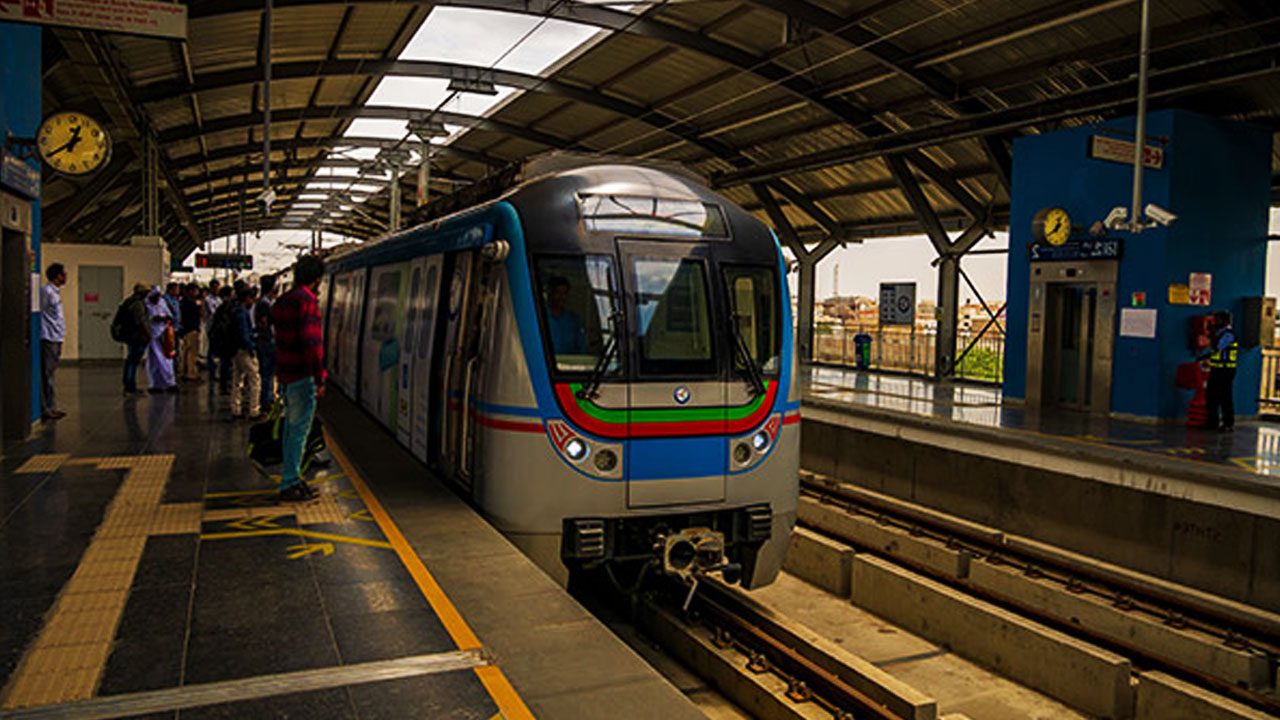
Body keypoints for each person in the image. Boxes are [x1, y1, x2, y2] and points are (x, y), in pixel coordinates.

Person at [272, 256, 326, 502]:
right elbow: (312, 344)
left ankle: (291, 478)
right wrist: (320, 377)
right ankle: (290, 482)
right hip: (302, 377)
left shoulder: (283, 301)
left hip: (285, 373)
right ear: (316, 280)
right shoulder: (307, 302)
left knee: (291, 430)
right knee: (298, 431)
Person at [39, 263, 68, 420]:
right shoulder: (47, 292)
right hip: (48, 338)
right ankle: (47, 407)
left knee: (50, 374)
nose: (66, 277)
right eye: (64, 274)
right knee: (46, 375)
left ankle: (51, 406)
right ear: (57, 276)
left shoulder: (54, 293)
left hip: (56, 337)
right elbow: (39, 312)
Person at [229, 287, 262, 420]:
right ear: (247, 299)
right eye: (251, 298)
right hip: (244, 351)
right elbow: (244, 335)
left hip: (235, 350)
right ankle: (254, 411)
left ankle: (236, 409)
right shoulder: (242, 313)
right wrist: (252, 346)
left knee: (237, 380)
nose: (253, 301)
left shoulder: (235, 311)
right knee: (255, 379)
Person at [1202, 309, 1238, 432]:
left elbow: (1218, 347)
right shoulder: (1218, 333)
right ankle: (1212, 422)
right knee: (1211, 396)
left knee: (1225, 397)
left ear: (1225, 321)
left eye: (1217, 320)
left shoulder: (1228, 334)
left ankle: (1228, 423)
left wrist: (1212, 334)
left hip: (1226, 370)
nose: (1215, 322)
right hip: (1216, 369)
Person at [116, 283, 152, 395]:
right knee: (133, 362)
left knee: (130, 361)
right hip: (137, 336)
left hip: (130, 335)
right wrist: (148, 335)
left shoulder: (129, 301)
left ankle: (128, 385)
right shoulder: (138, 304)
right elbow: (141, 321)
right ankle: (130, 387)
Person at [145, 286, 177, 393]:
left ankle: (170, 383)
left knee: (167, 359)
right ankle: (155, 384)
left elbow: (170, 315)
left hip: (163, 334)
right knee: (154, 361)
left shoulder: (162, 302)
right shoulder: (146, 304)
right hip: (152, 336)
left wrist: (164, 318)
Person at [545, 276, 586, 355]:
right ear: (550, 293)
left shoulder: (574, 321)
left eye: (565, 293)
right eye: (558, 293)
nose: (562, 297)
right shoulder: (538, 319)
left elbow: (582, 349)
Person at [255, 275, 279, 410]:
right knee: (267, 374)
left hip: (266, 342)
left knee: (267, 374)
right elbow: (265, 323)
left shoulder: (262, 302)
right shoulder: (264, 304)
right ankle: (266, 402)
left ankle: (267, 399)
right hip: (267, 342)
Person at [178, 283, 203, 381]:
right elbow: (200, 313)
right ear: (191, 291)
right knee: (192, 352)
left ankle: (183, 371)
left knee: (185, 351)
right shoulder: (192, 303)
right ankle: (191, 373)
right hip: (192, 328)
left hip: (185, 329)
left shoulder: (183, 301)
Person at [205, 279, 222, 383]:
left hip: (219, 327)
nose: (216, 289)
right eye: (214, 287)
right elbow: (213, 312)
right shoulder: (208, 300)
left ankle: (216, 371)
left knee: (216, 349)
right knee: (211, 349)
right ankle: (211, 371)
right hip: (211, 327)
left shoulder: (219, 299)